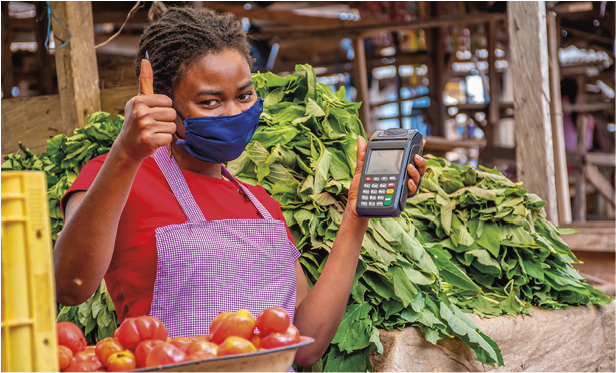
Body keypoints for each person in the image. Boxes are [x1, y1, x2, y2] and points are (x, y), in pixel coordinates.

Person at [53, 7, 427, 367]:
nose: (233, 113)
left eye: (244, 96)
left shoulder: (261, 204)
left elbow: (304, 344)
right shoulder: (118, 175)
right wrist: (125, 153)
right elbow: (69, 285)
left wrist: (355, 215)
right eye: (210, 101)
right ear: (164, 104)